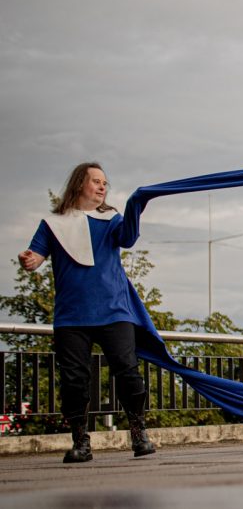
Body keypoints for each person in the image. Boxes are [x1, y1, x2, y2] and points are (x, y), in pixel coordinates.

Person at [18, 162, 156, 462]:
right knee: (74, 382)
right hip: (71, 316)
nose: (102, 186)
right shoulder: (53, 223)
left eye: (105, 182)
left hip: (114, 311)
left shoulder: (111, 218)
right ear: (80, 183)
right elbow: (35, 258)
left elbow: (128, 239)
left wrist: (136, 206)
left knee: (128, 372)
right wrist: (28, 260)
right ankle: (81, 442)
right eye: (96, 181)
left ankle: (138, 433)